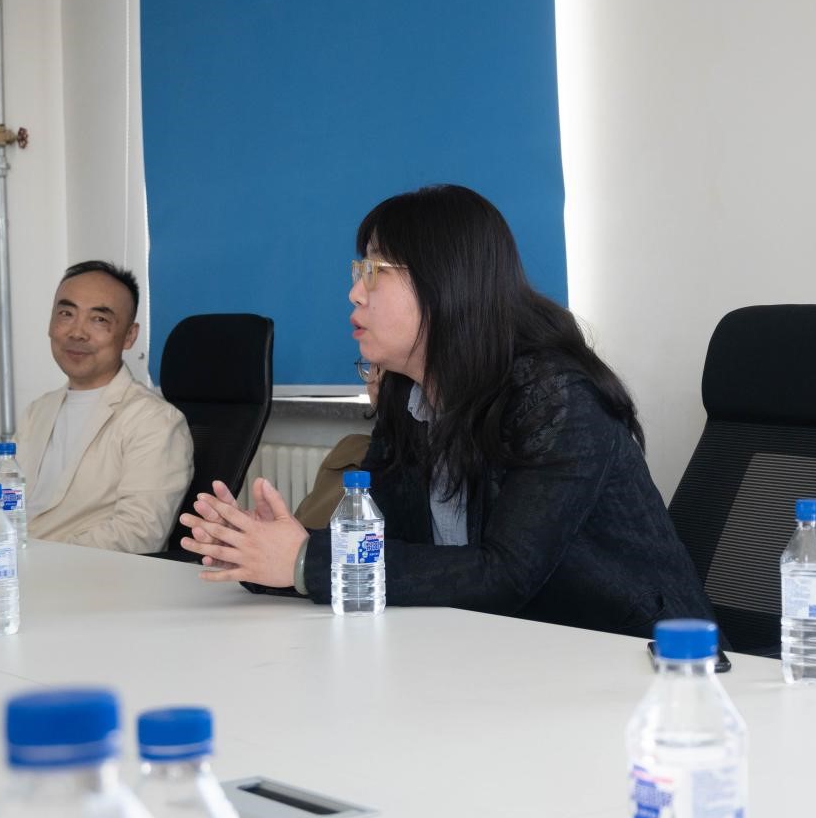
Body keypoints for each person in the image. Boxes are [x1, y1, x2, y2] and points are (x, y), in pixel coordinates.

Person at [180, 184, 716, 637]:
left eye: (374, 271)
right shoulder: (406, 395)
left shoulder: (557, 400)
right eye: (358, 270)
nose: (354, 293)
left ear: (444, 283)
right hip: (488, 649)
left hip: (630, 658)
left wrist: (305, 561)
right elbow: (392, 552)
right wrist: (266, 555)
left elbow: (505, 574)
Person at [16, 261, 193, 553]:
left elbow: (139, 533)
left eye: (99, 319)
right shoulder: (37, 412)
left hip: (78, 574)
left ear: (129, 336)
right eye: (66, 314)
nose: (77, 332)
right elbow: (1, 506)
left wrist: (37, 556)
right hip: (12, 566)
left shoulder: (155, 421)